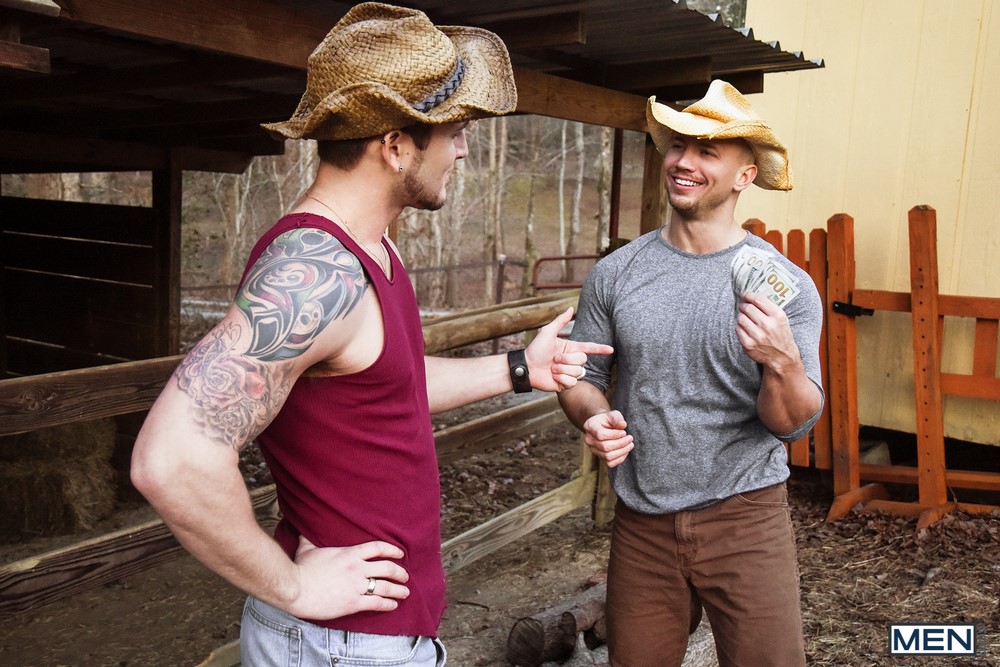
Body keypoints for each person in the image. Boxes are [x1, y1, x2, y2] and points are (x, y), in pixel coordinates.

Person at [130, 4, 611, 666]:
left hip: (371, 638)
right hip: (337, 646)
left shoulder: (370, 250)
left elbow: (391, 384)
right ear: (395, 145)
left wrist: (519, 367)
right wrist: (292, 584)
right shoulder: (315, 273)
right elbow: (170, 460)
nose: (463, 149)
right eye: (455, 132)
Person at [557, 80, 824, 667]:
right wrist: (594, 417)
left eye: (707, 151)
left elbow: (792, 424)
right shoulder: (617, 273)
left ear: (745, 176)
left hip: (746, 519)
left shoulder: (785, 288)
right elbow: (581, 376)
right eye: (677, 145)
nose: (683, 161)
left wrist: (782, 361)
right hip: (642, 523)